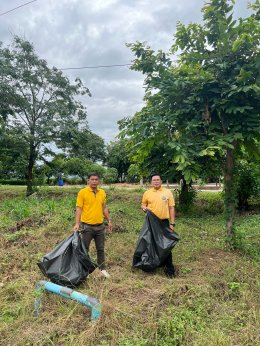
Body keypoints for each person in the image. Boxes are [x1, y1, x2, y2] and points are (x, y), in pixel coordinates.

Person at [73, 172, 112, 278]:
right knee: (85, 249)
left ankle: (102, 269)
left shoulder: (102, 192)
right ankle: (85, 271)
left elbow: (104, 208)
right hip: (87, 226)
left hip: (100, 226)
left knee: (100, 249)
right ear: (88, 180)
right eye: (92, 179)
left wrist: (109, 220)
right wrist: (77, 223)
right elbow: (79, 208)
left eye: (96, 179)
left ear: (99, 181)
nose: (94, 181)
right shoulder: (82, 192)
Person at [141, 174, 176, 278]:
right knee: (150, 243)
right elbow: (143, 204)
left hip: (163, 222)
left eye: (157, 180)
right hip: (151, 223)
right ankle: (153, 264)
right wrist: (144, 208)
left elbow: (171, 208)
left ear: (161, 181)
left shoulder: (167, 192)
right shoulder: (147, 193)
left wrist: (172, 223)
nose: (156, 181)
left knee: (166, 245)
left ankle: (170, 270)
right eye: (154, 180)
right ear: (151, 182)